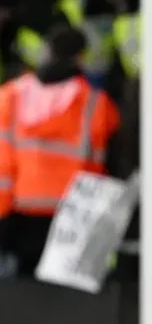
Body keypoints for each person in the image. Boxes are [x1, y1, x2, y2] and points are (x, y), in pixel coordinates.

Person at [0, 26, 120, 275]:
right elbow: (105, 162)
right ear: (81, 57)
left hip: (21, 212)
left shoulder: (10, 95)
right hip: (72, 216)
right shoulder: (96, 103)